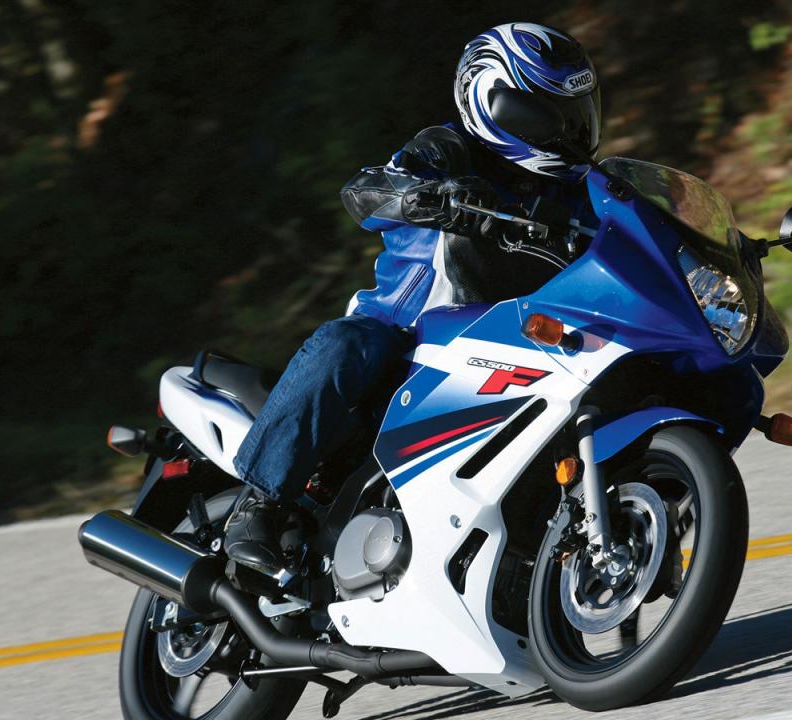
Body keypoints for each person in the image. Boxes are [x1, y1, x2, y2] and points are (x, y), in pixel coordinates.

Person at [224, 22, 604, 572]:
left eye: (577, 113)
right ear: (493, 101)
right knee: (348, 344)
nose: (570, 129)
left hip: (502, 346)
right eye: (548, 115)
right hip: (406, 339)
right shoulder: (448, 150)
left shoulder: (578, 193)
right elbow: (367, 191)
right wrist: (428, 196)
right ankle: (258, 504)